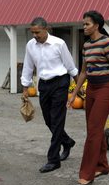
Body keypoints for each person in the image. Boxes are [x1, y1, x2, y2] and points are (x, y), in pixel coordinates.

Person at [67, 11, 109, 185]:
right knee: (94, 129)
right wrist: (74, 93)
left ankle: (87, 173)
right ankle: (102, 165)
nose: (84, 27)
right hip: (91, 88)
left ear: (96, 25)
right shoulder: (86, 46)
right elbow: (84, 71)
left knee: (93, 130)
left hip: (106, 88)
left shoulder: (107, 43)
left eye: (87, 24)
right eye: (83, 24)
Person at [21, 17, 78, 173]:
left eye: (37, 32)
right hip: (44, 85)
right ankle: (66, 141)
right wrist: (25, 88)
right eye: (32, 32)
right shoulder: (30, 45)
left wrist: (78, 88)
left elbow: (70, 66)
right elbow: (28, 66)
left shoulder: (59, 44)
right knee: (48, 120)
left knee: (57, 120)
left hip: (60, 83)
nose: (35, 35)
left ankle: (53, 160)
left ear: (46, 29)